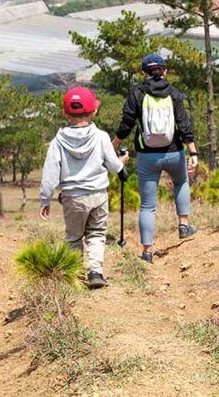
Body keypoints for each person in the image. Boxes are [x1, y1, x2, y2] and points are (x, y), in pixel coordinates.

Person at [113, 53, 199, 264]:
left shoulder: (137, 94)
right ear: (165, 71)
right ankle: (183, 225)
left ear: (143, 73)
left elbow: (127, 123)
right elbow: (183, 124)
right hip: (174, 151)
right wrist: (193, 152)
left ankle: (147, 251)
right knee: (180, 182)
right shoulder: (174, 93)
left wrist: (113, 145)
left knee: (147, 206)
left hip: (147, 156)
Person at [40, 86, 129, 289]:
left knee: (73, 238)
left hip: (72, 198)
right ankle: (95, 272)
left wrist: (45, 199)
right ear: (94, 111)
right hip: (98, 194)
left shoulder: (58, 142)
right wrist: (122, 164)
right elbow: (113, 164)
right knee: (97, 234)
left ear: (65, 113)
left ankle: (75, 274)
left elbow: (50, 172)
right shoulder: (101, 137)